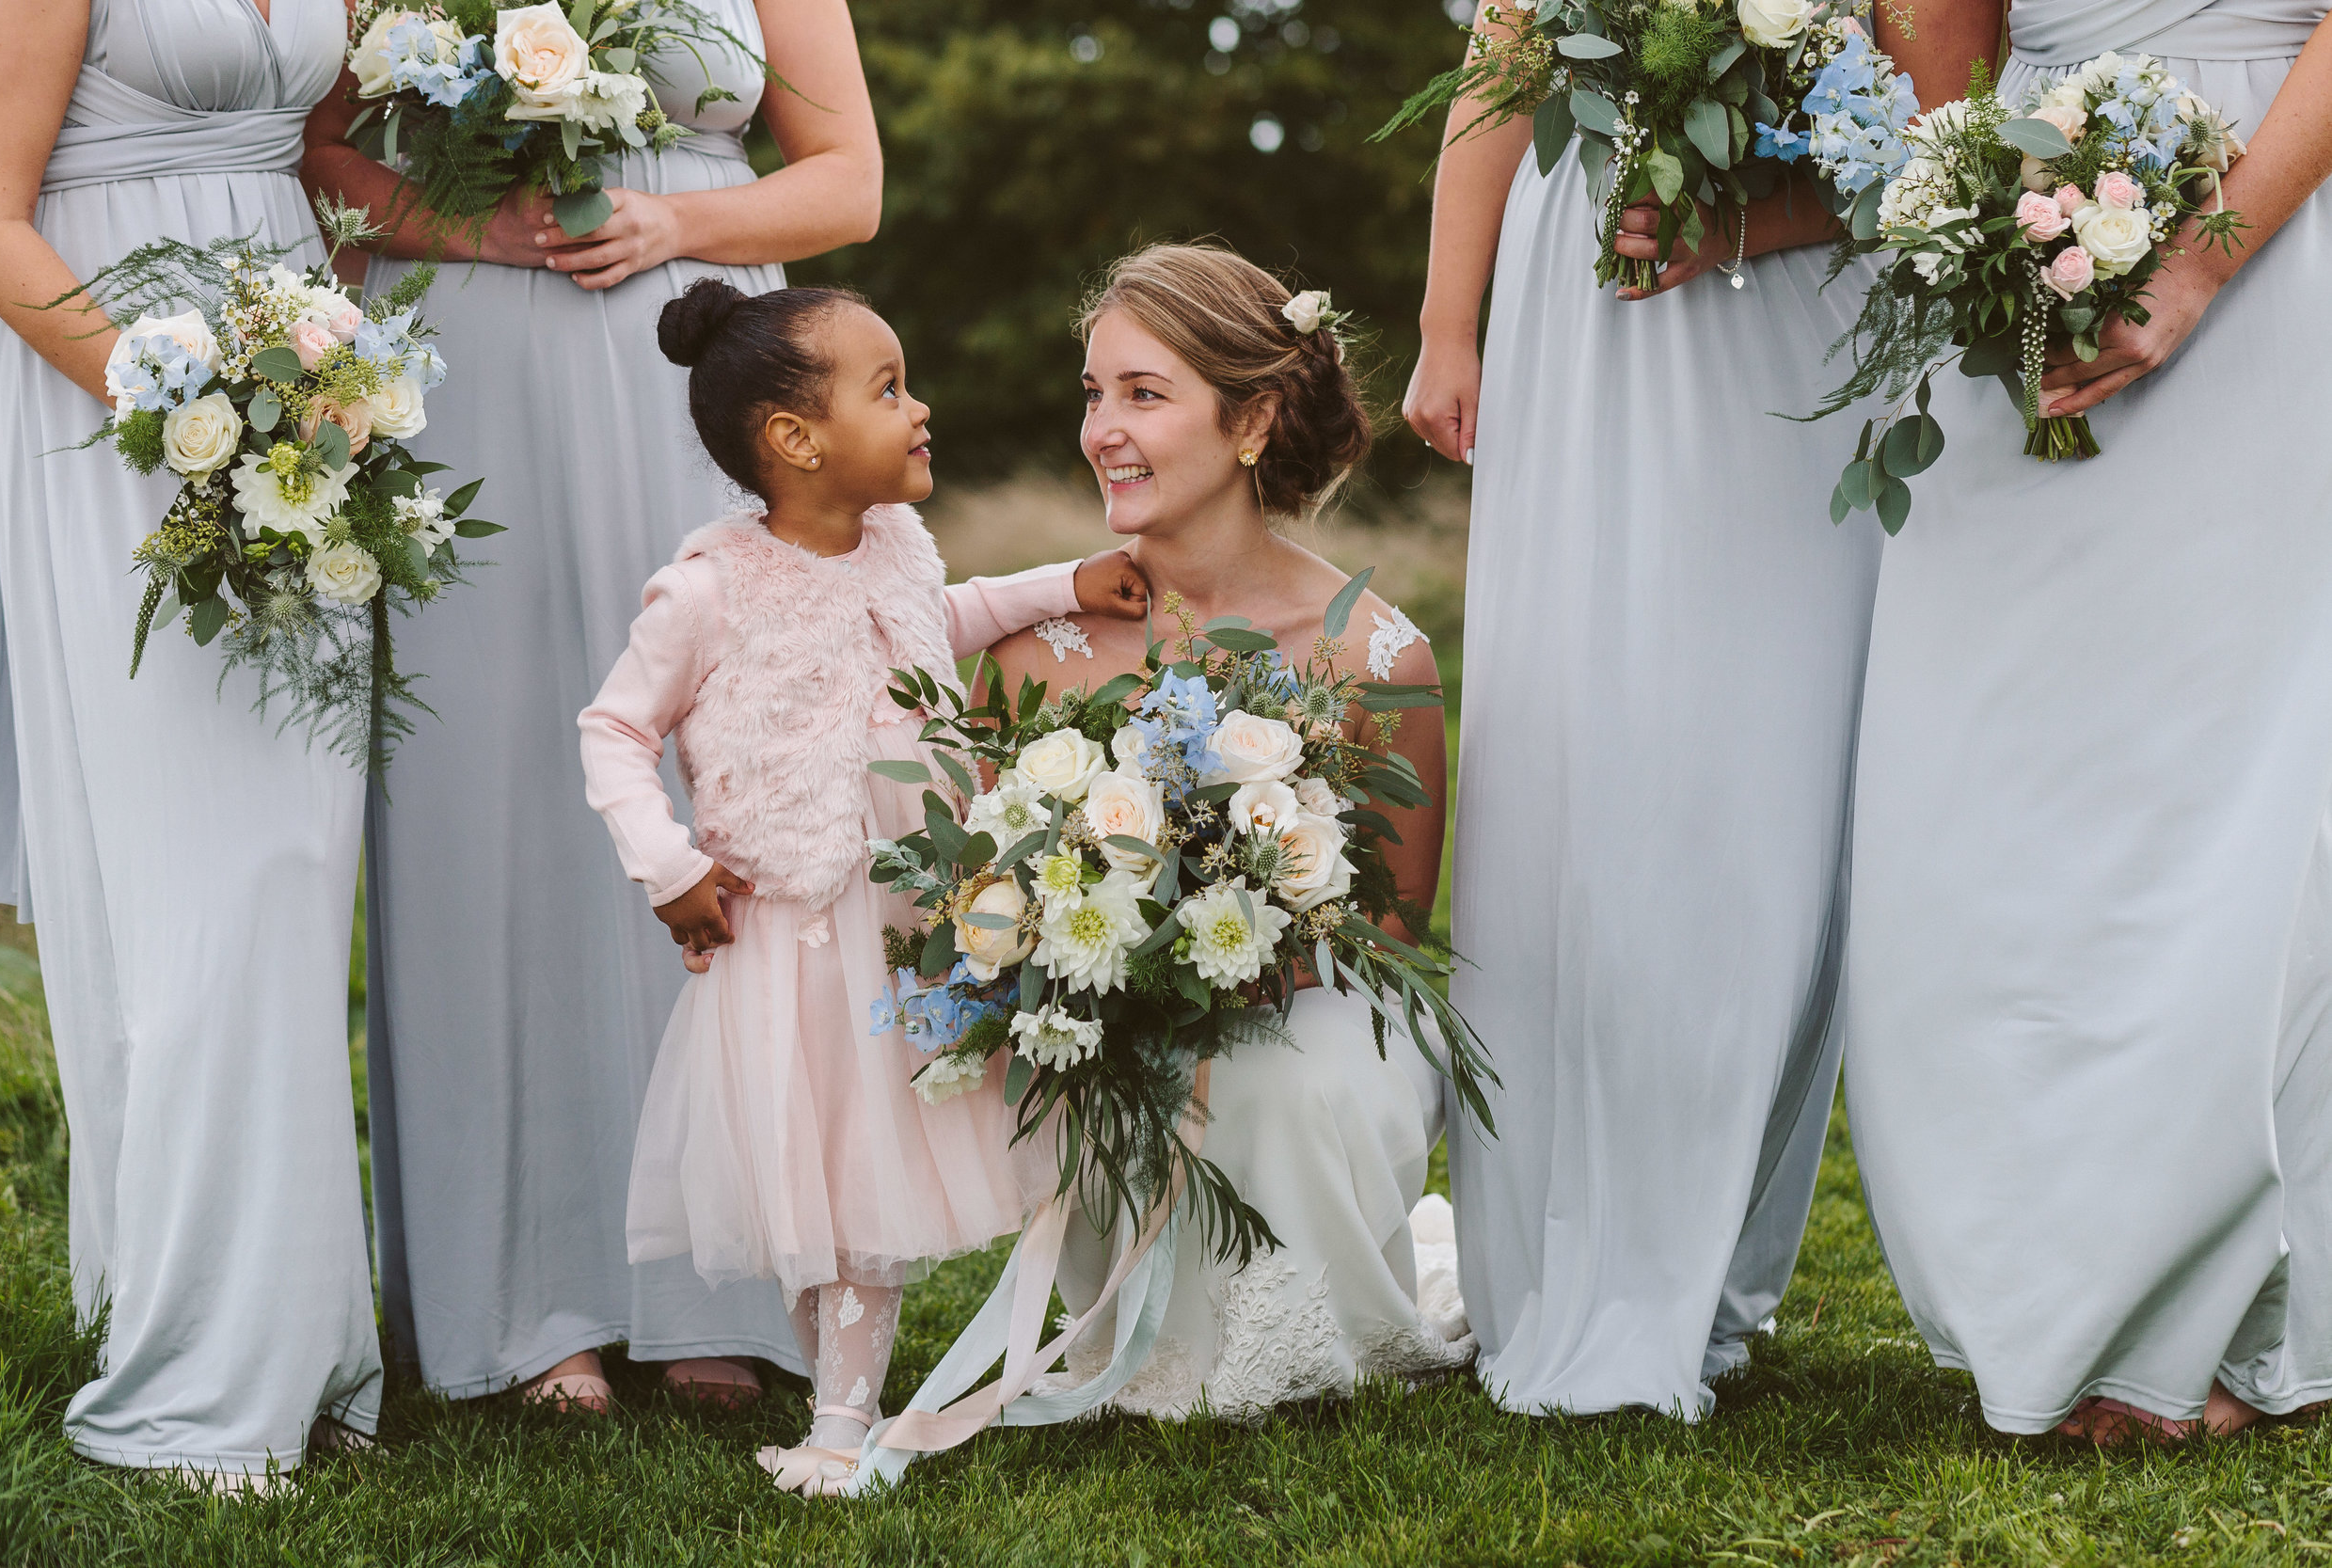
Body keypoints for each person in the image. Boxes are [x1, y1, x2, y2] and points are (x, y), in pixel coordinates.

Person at [1399, 3, 1996, 1417]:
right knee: (1569, 734)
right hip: (1576, 295)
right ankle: (1543, 1236)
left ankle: (1698, 1242)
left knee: (1742, 756)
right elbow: (1502, 62)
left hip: (1785, 312)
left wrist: (1738, 227)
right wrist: (1445, 318)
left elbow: (1941, 120)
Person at [300, 0, 883, 1410]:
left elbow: (848, 182)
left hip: (696, 365)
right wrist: (482, 234)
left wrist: (673, 224)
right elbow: (316, 157)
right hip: (466, 367)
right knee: (487, 801)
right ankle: (520, 1289)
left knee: (721, 777)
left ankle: (719, 1281)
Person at [1846, 0, 2332, 1440]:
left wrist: (2198, 256)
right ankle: (2047, 1279)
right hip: (2024, 214)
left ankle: (2223, 1315)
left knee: (2237, 769)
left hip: (2275, 211)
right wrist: (1971, 213)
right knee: (2000, 767)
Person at [581, 277, 1148, 1495]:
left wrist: (1064, 584)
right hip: (790, 920)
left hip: (904, 912)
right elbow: (613, 730)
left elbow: (936, 620)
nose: (920, 406)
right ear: (796, 438)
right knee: (813, 1166)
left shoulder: (893, 545)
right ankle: (840, 1417)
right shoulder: (711, 587)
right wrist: (671, 866)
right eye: (888, 388)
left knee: (866, 1157)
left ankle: (843, 1415)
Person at [0, 0, 374, 1487]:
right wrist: (182, 402)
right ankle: (199, 1353)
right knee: (190, 873)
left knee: (285, 866)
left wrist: (323, 387)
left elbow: (322, 162)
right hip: (119, 415)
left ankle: (300, 1328)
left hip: (310, 418)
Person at [979, 245, 1476, 1420]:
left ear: (1251, 419)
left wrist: (1239, 937)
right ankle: (1134, 1335)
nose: (1103, 427)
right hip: (1113, 1009)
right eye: (1093, 393)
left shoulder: (1373, 653)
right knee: (1093, 1071)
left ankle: (1311, 1333)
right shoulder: (1035, 644)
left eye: (1143, 394)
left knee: (1286, 1082)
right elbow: (994, 887)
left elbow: (1394, 933)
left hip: (1314, 1004)